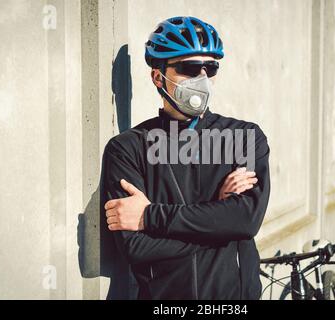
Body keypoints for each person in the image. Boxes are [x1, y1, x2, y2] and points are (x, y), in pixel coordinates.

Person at [101, 16, 271, 299]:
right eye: (190, 68)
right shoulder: (127, 148)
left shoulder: (244, 137)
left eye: (210, 68)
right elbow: (136, 247)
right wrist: (218, 216)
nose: (202, 79)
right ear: (158, 76)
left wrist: (149, 215)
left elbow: (245, 221)